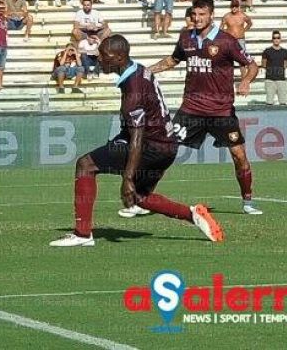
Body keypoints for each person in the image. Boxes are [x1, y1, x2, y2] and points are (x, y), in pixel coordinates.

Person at [50, 34, 224, 247]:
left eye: (105, 56)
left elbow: (137, 136)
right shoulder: (140, 70)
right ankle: (193, 214)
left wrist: (128, 177)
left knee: (85, 165)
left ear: (120, 57)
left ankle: (82, 234)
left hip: (150, 146)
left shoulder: (133, 88)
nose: (100, 60)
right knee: (139, 196)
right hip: (167, 146)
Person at [149, 0, 262, 215]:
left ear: (211, 15)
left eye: (202, 14)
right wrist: (146, 71)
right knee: (165, 150)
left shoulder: (226, 41)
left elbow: (252, 64)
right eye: (194, 14)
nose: (197, 18)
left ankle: (247, 201)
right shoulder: (185, 39)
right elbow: (171, 61)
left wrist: (246, 81)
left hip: (221, 110)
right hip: (191, 108)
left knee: (239, 155)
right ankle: (142, 198)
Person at [221, 0, 253, 78]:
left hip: (240, 40)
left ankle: (244, 79)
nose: (234, 8)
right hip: (230, 40)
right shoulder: (226, 16)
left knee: (242, 60)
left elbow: (250, 23)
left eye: (235, 6)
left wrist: (244, 30)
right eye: (232, 6)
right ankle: (228, 78)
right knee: (228, 59)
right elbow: (221, 28)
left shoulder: (243, 15)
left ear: (238, 7)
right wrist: (227, 32)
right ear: (230, 7)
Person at [262, 30, 287, 106]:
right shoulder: (267, 51)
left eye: (278, 38)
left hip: (281, 79)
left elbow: (285, 65)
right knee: (269, 102)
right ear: (272, 39)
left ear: (280, 39)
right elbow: (264, 64)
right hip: (270, 79)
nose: (276, 39)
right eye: (274, 38)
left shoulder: (285, 52)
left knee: (283, 103)